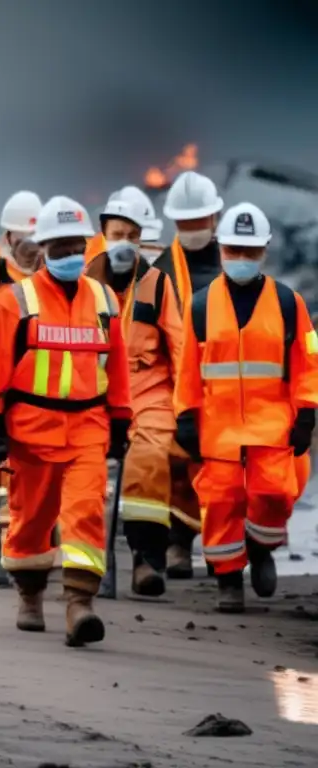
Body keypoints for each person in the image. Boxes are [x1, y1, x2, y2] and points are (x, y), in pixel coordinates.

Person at [0, 196, 132, 646]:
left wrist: (122, 420)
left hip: (88, 427)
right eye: (61, 247)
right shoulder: (16, 301)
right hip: (30, 430)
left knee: (86, 512)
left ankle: (79, 605)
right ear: (43, 248)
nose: (70, 256)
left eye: (76, 247)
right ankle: (30, 595)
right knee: (31, 519)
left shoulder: (105, 300)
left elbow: (118, 366)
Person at [174, 203, 318, 613]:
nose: (241, 258)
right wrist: (186, 416)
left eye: (249, 251)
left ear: (264, 251)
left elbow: (308, 361)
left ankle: (261, 547)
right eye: (234, 249)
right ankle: (228, 581)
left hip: (272, 426)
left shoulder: (289, 303)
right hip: (217, 431)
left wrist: (307, 412)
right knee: (220, 505)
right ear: (221, 248)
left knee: (275, 495)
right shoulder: (200, 306)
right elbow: (188, 369)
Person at [84, 198, 184, 596]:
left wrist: (186, 403)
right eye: (117, 234)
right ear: (103, 235)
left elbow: (177, 345)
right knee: (89, 473)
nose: (124, 242)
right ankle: (92, 562)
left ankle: (147, 559)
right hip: (97, 388)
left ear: (143, 239)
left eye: (132, 235)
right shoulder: (85, 281)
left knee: (149, 457)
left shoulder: (157, 282)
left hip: (149, 386)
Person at [154, 171, 225, 578]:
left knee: (224, 473)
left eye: (200, 221)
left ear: (215, 218)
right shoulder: (160, 271)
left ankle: (225, 551)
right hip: (174, 387)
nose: (194, 230)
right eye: (186, 223)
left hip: (225, 388)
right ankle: (179, 543)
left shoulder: (233, 263)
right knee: (177, 468)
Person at [0, 190, 44, 574]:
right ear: (8, 239)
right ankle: (2, 547)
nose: (31, 248)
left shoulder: (57, 280)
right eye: (24, 239)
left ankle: (29, 549)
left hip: (43, 396)